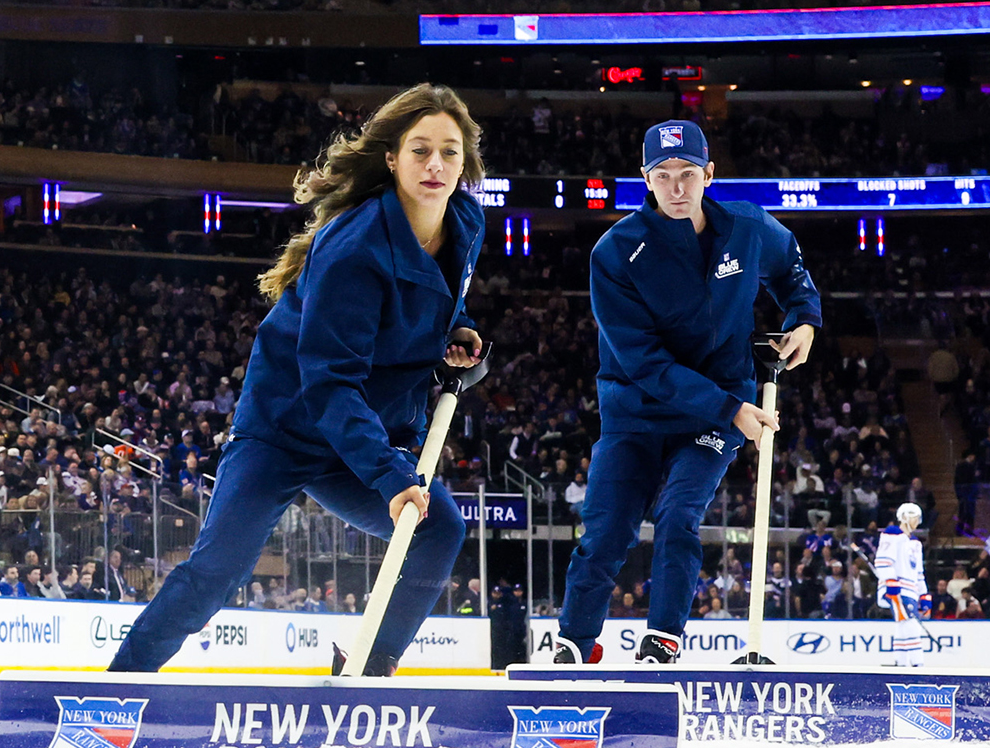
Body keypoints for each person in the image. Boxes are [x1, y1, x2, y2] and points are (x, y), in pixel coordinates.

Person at [110, 83, 487, 677]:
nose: (435, 165)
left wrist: (458, 330)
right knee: (217, 574)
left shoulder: (466, 223)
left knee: (437, 530)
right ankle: (115, 689)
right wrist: (390, 476)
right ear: (391, 157)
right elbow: (329, 382)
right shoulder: (354, 246)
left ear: (466, 162)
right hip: (285, 429)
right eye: (420, 150)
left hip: (358, 435)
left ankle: (367, 667)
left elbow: (435, 304)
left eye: (449, 151)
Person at [553, 119, 822, 665]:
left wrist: (805, 319)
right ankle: (575, 644)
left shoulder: (747, 227)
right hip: (637, 411)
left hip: (712, 416)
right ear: (646, 179)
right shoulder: (613, 254)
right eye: (664, 175)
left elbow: (791, 268)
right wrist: (732, 408)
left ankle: (663, 641)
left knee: (678, 517)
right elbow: (645, 363)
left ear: (709, 174)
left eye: (689, 174)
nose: (677, 187)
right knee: (606, 531)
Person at [867, 503, 929, 667]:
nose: (918, 521)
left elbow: (919, 573)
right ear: (906, 516)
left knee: (903, 626)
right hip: (897, 590)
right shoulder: (893, 534)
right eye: (915, 516)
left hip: (911, 591)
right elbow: (882, 561)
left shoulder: (916, 543)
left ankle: (900, 665)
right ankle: (918, 665)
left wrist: (924, 595)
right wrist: (891, 584)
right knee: (912, 626)